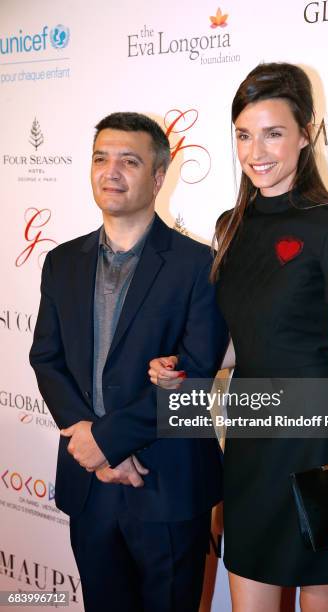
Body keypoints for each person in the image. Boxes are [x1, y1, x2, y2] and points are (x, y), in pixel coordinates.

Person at [148, 63, 328, 611]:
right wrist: (186, 371)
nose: (255, 150)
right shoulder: (230, 226)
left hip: (318, 439)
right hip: (252, 435)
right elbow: (249, 338)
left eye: (274, 132)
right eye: (243, 134)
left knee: (324, 601)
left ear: (307, 133)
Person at [29, 112, 229, 612]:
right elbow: (46, 358)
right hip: (88, 485)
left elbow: (197, 374)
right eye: (101, 158)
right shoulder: (62, 262)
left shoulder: (198, 265)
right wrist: (89, 442)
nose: (110, 171)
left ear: (159, 177)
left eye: (129, 161)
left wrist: (108, 442)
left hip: (166, 484)